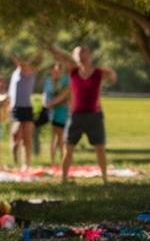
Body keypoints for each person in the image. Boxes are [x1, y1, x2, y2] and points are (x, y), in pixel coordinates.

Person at [47, 44, 118, 184]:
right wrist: (52, 48)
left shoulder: (98, 73)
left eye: (83, 52)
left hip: (94, 116)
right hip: (75, 116)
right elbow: (62, 58)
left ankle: (105, 179)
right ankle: (64, 179)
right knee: (68, 149)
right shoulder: (73, 72)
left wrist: (111, 74)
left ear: (90, 55)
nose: (80, 55)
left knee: (100, 149)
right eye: (77, 53)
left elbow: (112, 77)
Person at [7, 54, 43, 171]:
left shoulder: (29, 72)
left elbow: (38, 61)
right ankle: (15, 162)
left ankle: (26, 164)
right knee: (15, 134)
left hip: (27, 108)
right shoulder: (15, 73)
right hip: (15, 109)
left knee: (27, 138)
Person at [40, 63, 71, 166]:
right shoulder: (49, 81)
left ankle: (62, 161)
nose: (56, 72)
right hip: (53, 111)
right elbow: (46, 95)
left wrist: (57, 101)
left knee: (62, 137)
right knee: (55, 137)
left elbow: (66, 96)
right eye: (55, 70)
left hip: (63, 111)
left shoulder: (65, 79)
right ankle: (53, 163)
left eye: (59, 70)